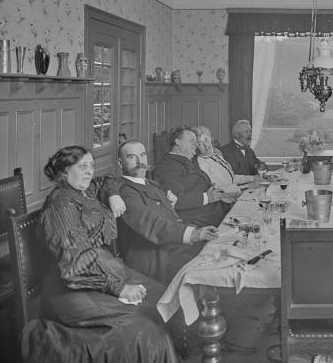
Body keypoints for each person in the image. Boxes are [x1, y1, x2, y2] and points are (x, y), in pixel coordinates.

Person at [37, 145, 178, 362]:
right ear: (64, 172)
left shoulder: (84, 190)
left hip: (105, 270)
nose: (89, 171)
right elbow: (76, 264)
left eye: (91, 165)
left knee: (164, 298)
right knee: (146, 330)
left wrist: (112, 194)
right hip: (72, 288)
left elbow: (110, 178)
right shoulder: (61, 204)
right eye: (82, 166)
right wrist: (119, 288)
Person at [116, 139, 219, 284]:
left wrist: (169, 205)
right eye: (132, 157)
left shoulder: (150, 183)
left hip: (172, 246)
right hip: (154, 259)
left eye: (143, 155)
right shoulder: (124, 192)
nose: (140, 161)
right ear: (120, 163)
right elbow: (151, 224)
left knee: (219, 251)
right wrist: (194, 234)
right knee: (212, 270)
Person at [153, 126, 235, 227]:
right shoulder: (168, 166)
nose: (195, 144)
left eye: (196, 141)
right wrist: (207, 197)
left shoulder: (190, 160)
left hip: (217, 209)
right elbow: (175, 200)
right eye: (191, 140)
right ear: (178, 142)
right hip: (198, 220)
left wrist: (220, 194)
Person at [192, 126, 253, 191]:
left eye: (206, 140)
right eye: (200, 144)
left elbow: (230, 178)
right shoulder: (201, 164)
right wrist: (247, 186)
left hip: (234, 192)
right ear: (196, 147)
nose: (205, 145)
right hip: (226, 197)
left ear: (210, 139)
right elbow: (219, 188)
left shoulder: (216, 155)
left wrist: (253, 178)